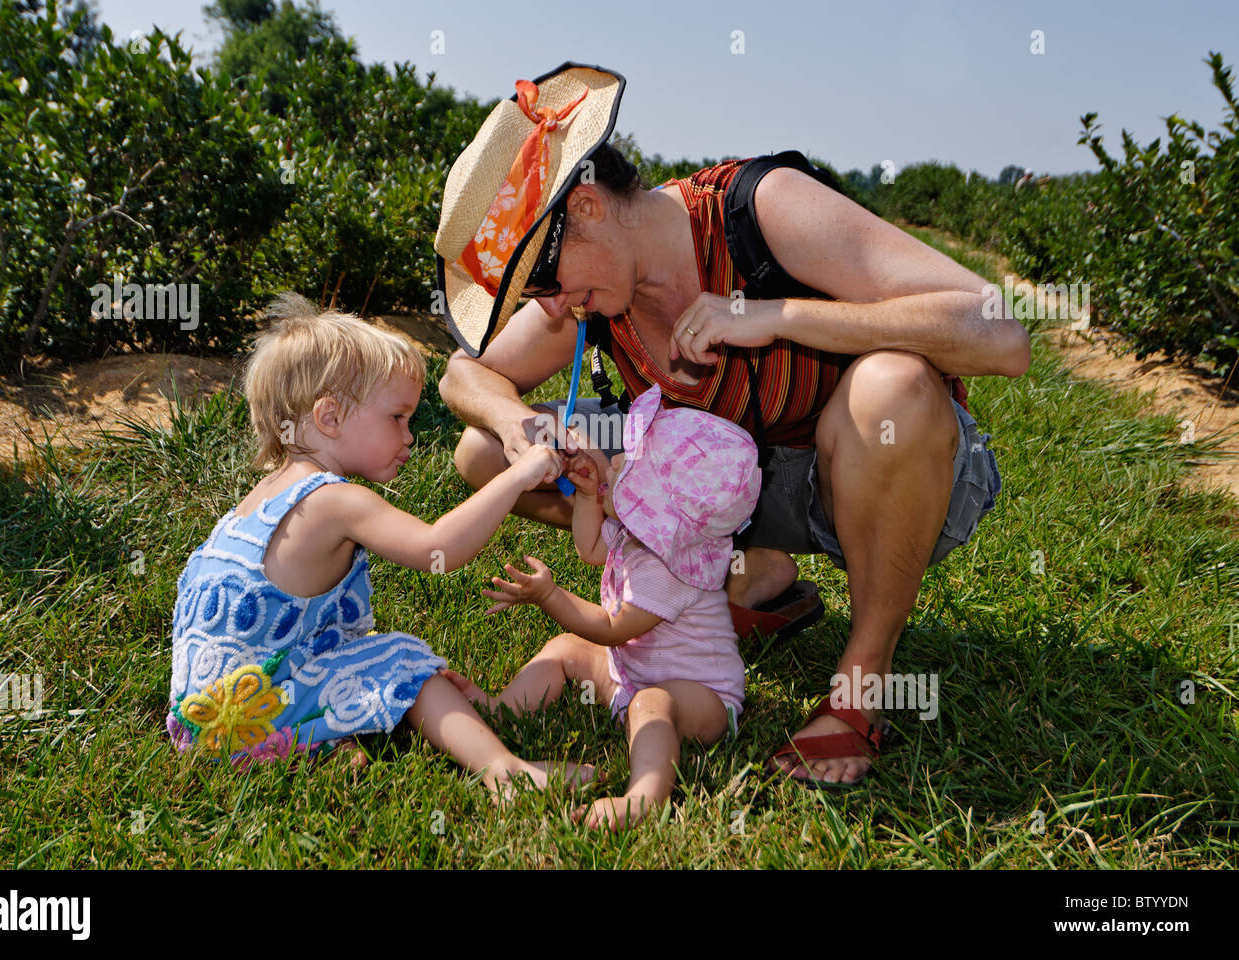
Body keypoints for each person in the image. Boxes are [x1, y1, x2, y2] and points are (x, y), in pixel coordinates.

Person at [432, 62, 1029, 788]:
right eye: (533, 294)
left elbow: (1002, 333)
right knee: (483, 452)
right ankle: (750, 575)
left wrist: (771, 315)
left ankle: (860, 690)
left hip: (872, 472)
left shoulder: (758, 210)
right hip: (732, 497)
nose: (551, 310)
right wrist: (516, 419)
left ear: (585, 206)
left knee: (894, 385)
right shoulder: (599, 293)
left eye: (545, 283)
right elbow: (463, 375)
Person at [165, 293, 595, 795]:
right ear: (329, 418)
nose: (409, 436)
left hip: (200, 722)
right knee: (399, 659)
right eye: (397, 418)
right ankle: (505, 774)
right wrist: (516, 476)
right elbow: (439, 550)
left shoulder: (260, 501)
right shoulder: (334, 501)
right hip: (252, 712)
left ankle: (312, 746)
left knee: (357, 659)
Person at [443, 385, 761, 829]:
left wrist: (550, 596)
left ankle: (643, 798)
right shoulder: (642, 534)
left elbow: (613, 629)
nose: (613, 462)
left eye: (625, 468)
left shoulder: (670, 568)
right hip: (629, 670)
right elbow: (590, 547)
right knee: (565, 649)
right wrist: (592, 496)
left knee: (651, 703)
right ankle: (504, 708)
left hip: (700, 696)